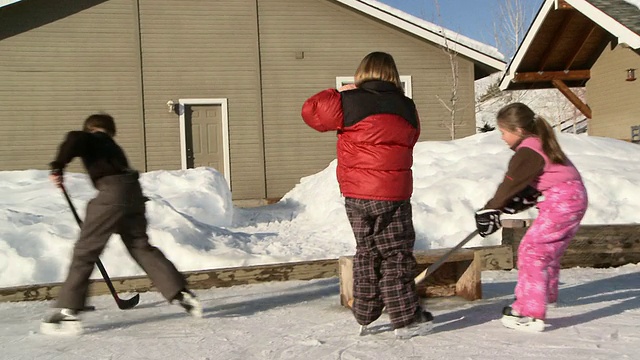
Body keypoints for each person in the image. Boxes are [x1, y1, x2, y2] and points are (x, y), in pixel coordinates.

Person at [301, 51, 432, 339]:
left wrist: (339, 93)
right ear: (393, 74)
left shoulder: (347, 102)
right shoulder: (407, 106)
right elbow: (412, 137)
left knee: (366, 252)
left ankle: (365, 314)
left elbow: (310, 112)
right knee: (395, 255)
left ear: (362, 72)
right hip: (394, 194)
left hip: (356, 194)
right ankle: (405, 318)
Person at [41, 113, 202, 335]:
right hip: (133, 193)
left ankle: (67, 311)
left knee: (85, 250)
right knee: (140, 246)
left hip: (112, 193)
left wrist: (57, 166)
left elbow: (74, 138)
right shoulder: (112, 146)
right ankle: (180, 293)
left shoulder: (92, 137)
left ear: (92, 128)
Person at [475, 102, 588, 333]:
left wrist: (491, 209)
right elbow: (535, 181)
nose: (502, 138)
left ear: (518, 130)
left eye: (503, 132)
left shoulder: (528, 150)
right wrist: (519, 200)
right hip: (572, 198)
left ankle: (530, 312)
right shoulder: (539, 144)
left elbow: (511, 182)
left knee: (532, 251)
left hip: (561, 202)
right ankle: (547, 295)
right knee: (547, 251)